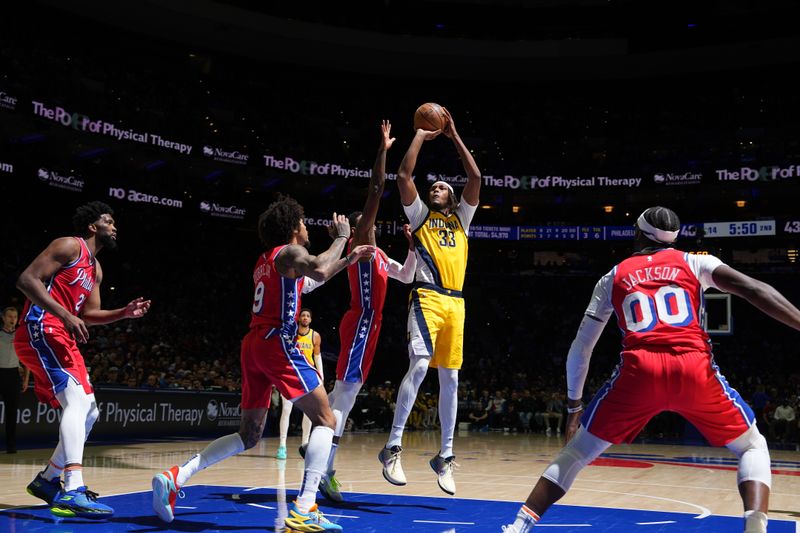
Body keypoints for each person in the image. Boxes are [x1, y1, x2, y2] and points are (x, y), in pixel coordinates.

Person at [502, 206, 800, 533]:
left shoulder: (613, 276)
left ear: (639, 234)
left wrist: (574, 405)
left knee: (578, 452)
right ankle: (755, 525)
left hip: (639, 371)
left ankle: (519, 526)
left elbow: (581, 347)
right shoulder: (696, 261)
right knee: (751, 446)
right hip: (693, 367)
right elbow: (756, 290)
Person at [151, 196, 374, 532]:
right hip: (277, 343)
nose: (307, 227)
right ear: (292, 229)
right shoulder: (291, 252)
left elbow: (313, 280)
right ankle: (304, 508)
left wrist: (348, 259)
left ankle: (176, 477)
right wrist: (343, 238)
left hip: (254, 344)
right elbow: (318, 267)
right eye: (302, 221)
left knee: (250, 433)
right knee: (327, 418)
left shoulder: (267, 260)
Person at [14, 201, 151, 518]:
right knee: (76, 404)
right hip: (40, 328)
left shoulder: (96, 269)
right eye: (108, 220)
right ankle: (72, 488)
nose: (114, 226)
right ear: (92, 225)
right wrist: (63, 313)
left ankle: (48, 481)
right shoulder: (68, 245)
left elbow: (88, 314)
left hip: (60, 335)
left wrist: (123, 313)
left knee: (90, 412)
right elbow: (27, 280)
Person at [379, 108, 481, 496]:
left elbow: (475, 177)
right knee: (420, 366)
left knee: (451, 380)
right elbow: (404, 176)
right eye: (433, 186)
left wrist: (454, 135)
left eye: (441, 187)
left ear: (453, 200)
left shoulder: (462, 221)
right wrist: (421, 133)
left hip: (457, 305)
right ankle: (392, 446)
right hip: (426, 298)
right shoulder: (420, 216)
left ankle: (446, 456)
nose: (435, 187)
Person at [314, 120, 417, 502]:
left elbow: (406, 277)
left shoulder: (379, 254)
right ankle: (323, 465)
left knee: (350, 395)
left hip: (371, 324)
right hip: (360, 319)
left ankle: (321, 452)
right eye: (366, 223)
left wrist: (409, 246)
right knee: (345, 394)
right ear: (360, 229)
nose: (371, 225)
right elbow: (375, 190)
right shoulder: (359, 247)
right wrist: (383, 150)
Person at [276, 308, 323, 459]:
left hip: (307, 376)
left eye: (308, 316)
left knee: (309, 413)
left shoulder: (315, 336)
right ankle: (282, 445)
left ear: (310, 319)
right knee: (286, 410)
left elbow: (317, 357)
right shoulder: (291, 335)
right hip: (291, 375)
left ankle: (305, 444)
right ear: (299, 318)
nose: (305, 317)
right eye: (303, 315)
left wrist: (320, 377)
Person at [1, 306, 29, 453]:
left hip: (13, 376)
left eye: (15, 317)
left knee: (11, 414)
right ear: (3, 318)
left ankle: (11, 446)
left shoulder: (20, 335)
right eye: (9, 316)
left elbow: (26, 360)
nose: (12, 319)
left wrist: (25, 379)